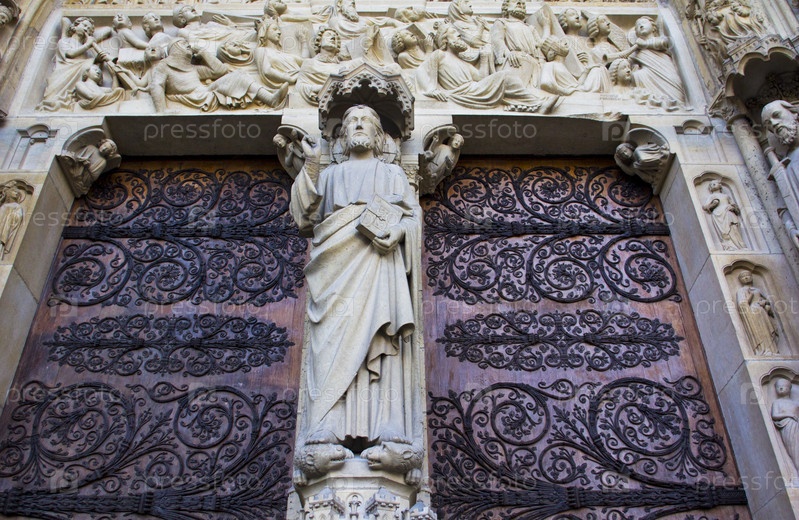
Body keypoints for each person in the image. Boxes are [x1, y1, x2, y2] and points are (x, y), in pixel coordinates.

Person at [289, 105, 421, 482]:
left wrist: (399, 232)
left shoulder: (392, 173)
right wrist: (309, 166)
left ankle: (387, 424)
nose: (359, 125)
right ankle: (326, 425)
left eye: (366, 122)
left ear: (379, 136)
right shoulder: (331, 175)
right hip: (335, 269)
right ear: (343, 136)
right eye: (351, 122)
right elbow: (305, 217)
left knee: (382, 337)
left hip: (378, 263)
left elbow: (411, 217)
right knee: (332, 344)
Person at [417, 22, 559, 113]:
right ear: (445, 39)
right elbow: (423, 70)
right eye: (454, 33)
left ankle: (533, 102)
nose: (459, 35)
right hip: (463, 92)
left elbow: (482, 78)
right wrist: (431, 89)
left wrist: (484, 59)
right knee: (505, 76)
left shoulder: (464, 63)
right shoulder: (439, 55)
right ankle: (536, 103)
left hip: (474, 89)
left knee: (505, 78)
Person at [149, 38, 287, 112]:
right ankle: (270, 99)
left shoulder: (192, 69)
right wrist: (161, 111)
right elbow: (157, 85)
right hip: (196, 97)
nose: (188, 46)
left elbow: (219, 71)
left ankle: (271, 99)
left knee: (240, 74)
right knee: (239, 76)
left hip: (205, 92)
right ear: (175, 48)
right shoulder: (164, 66)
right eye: (183, 43)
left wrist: (203, 53)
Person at [736, 269, 779, 356]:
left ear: (751, 277)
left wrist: (764, 302)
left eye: (748, 275)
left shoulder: (757, 290)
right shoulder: (741, 291)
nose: (746, 277)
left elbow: (768, 300)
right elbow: (742, 304)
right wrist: (750, 296)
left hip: (762, 311)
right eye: (743, 277)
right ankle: (763, 350)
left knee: (767, 330)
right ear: (740, 280)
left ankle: (772, 350)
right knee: (759, 332)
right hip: (752, 313)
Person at [702, 179, 746, 250]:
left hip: (728, 212)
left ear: (720, 185)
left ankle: (741, 246)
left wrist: (733, 208)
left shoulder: (726, 196)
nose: (712, 185)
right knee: (724, 232)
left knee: (734, 228)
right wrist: (713, 204)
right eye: (711, 185)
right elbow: (705, 207)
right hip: (718, 215)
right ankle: (729, 247)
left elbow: (735, 206)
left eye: (715, 183)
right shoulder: (712, 196)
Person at [771, 378, 799, 471]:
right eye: (778, 387)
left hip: (796, 426)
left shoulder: (795, 404)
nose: (781, 388)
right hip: (787, 427)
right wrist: (789, 414)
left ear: (789, 389)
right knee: (794, 450)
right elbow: (775, 415)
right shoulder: (777, 402)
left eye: (783, 386)